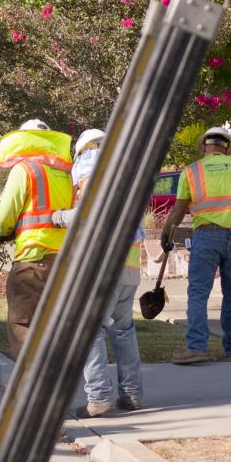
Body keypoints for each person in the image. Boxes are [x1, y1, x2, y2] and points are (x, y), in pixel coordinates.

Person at [158, 125, 231, 364]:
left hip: (206, 238)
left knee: (198, 294)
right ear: (227, 146)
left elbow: (178, 208)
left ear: (204, 145)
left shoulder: (192, 171)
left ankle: (197, 347)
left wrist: (167, 233)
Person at [68, 128, 143, 415]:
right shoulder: (124, 165)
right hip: (130, 259)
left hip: (103, 258)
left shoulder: (90, 160)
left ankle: (99, 398)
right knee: (124, 329)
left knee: (90, 329)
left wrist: (61, 216)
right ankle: (132, 395)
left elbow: (91, 205)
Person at [0, 118, 75, 357]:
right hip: (62, 259)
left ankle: (30, 387)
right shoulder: (64, 174)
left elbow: (7, 213)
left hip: (33, 258)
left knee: (23, 324)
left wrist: (5, 230)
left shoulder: (25, 169)